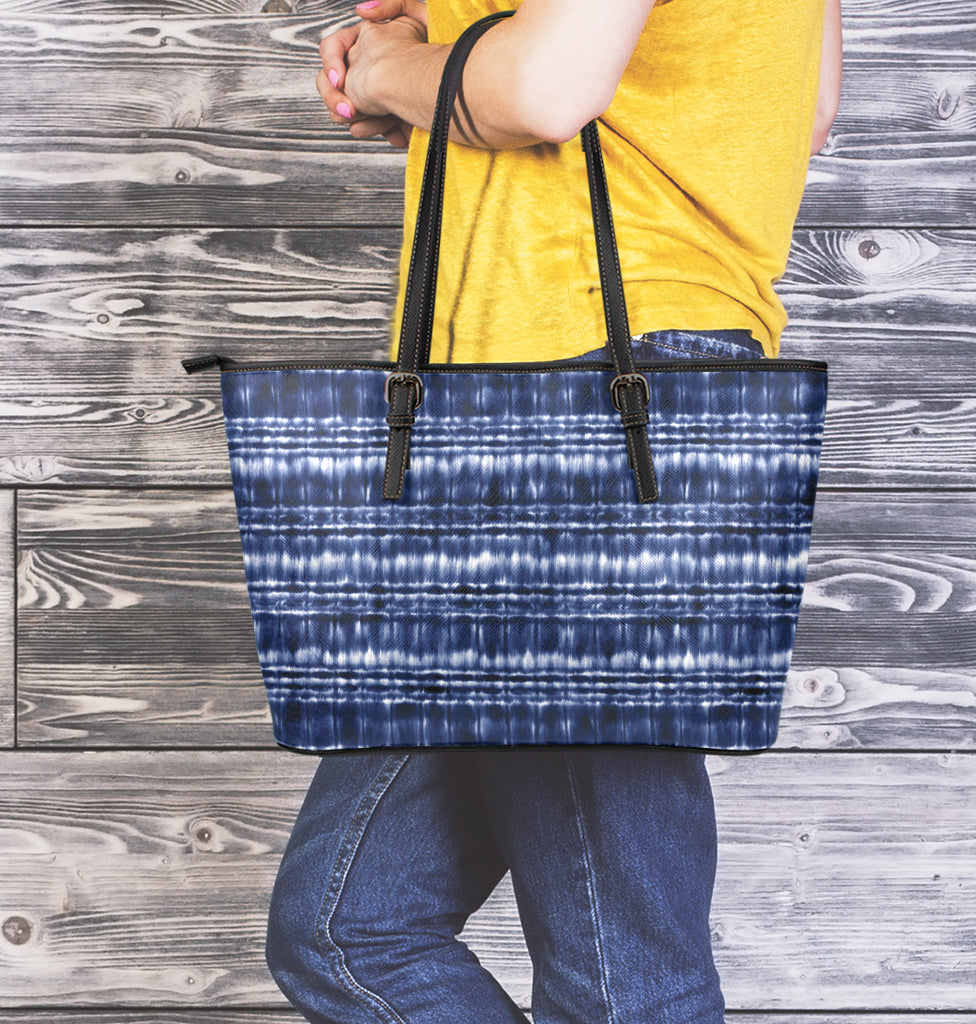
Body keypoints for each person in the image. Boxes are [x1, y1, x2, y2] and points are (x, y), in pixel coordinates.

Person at [265, 2, 842, 1023]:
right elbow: (797, 106)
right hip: (553, 401)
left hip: (585, 390)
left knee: (623, 979)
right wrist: (440, 70)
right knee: (346, 927)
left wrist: (392, 68)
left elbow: (543, 90)